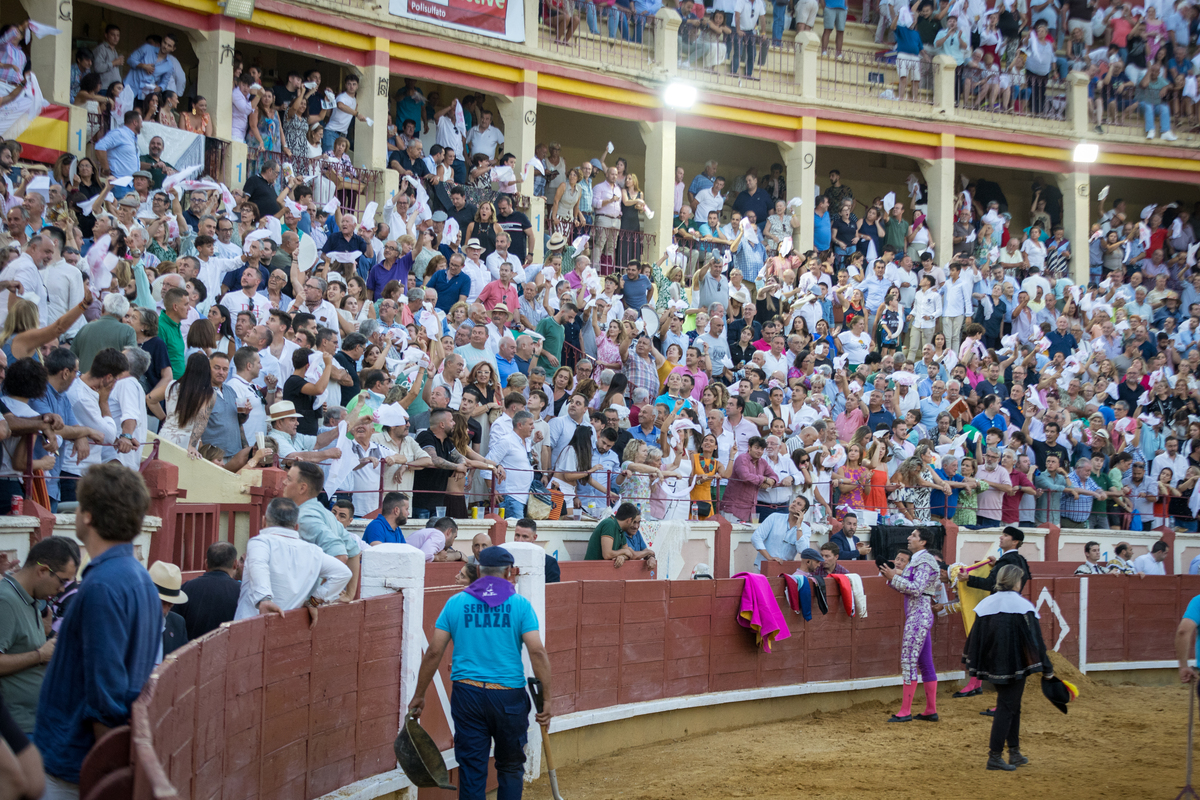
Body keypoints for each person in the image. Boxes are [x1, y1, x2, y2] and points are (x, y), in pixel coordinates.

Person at [33, 463, 160, 796]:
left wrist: (106, 777)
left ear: (87, 516)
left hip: (76, 763)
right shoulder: (139, 577)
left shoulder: (101, 585)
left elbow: (106, 695)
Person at [407, 546, 552, 800]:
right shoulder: (519, 605)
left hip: (468, 694)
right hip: (508, 697)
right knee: (509, 767)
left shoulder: (456, 602)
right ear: (509, 572)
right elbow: (537, 652)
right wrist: (547, 699)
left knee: (472, 769)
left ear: (477, 571)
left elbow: (433, 652)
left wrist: (419, 695)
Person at [962, 564, 1053, 771]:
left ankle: (1014, 752)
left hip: (991, 661)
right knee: (1007, 706)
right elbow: (1036, 641)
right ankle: (995, 756)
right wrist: (1047, 668)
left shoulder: (986, 604)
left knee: (1012, 705)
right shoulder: (1023, 606)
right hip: (1015, 663)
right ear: (1016, 582)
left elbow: (977, 636)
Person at [0, 537, 79, 734]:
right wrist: (39, 655)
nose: (62, 589)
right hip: (15, 731)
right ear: (42, 570)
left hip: (33, 725)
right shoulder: (6, 602)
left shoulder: (32, 598)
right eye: (62, 581)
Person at [235, 498, 352, 618]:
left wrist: (264, 599)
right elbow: (343, 573)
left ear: (264, 521)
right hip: (288, 624)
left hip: (251, 622)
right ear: (296, 527)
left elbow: (258, 564)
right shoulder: (312, 551)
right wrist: (314, 601)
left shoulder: (260, 542)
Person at [880, 527, 940, 723]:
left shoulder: (925, 561)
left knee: (908, 661)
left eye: (913, 535)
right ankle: (930, 709)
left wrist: (893, 578)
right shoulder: (919, 560)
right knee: (925, 662)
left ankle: (905, 711)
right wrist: (892, 576)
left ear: (923, 542)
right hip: (920, 614)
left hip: (918, 616)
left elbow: (916, 589)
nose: (909, 537)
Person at [177, 541, 241, 640]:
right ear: (235, 564)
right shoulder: (241, 592)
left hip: (191, 652)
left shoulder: (186, 588)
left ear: (206, 563)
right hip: (228, 652)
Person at [583, 502, 656, 571]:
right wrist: (623, 552)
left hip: (603, 571)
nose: (635, 526)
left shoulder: (620, 530)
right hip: (593, 570)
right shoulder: (609, 524)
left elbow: (630, 555)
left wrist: (622, 556)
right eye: (633, 522)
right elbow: (607, 555)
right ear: (629, 520)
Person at [750, 495, 809, 568]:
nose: (794, 504)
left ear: (804, 511)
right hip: (763, 566)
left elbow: (803, 551)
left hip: (785, 570)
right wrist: (769, 558)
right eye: (794, 502)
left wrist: (799, 526)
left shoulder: (805, 529)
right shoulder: (774, 517)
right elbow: (756, 537)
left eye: (799, 504)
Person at [966, 526, 1032, 592]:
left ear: (1015, 542)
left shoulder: (1006, 560)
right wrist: (996, 565)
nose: (1001, 537)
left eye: (1005, 535)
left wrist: (968, 578)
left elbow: (992, 583)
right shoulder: (1021, 559)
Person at [150, 561, 189, 657]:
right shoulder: (130, 620)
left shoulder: (178, 623)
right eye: (161, 602)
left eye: (169, 605)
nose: (164, 610)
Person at [513, 518, 559, 583]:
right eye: (517, 535)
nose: (519, 540)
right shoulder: (506, 557)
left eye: (525, 537)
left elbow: (552, 590)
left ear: (534, 538)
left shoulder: (549, 562)